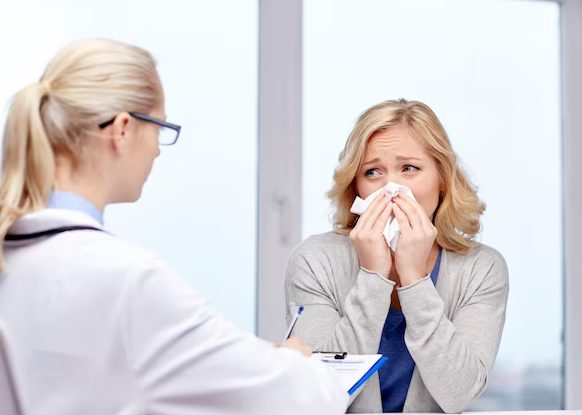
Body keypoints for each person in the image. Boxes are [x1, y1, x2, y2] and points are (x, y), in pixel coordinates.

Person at [0, 38, 347, 415]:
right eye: (160, 127)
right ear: (122, 129)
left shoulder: (17, 255)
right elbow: (303, 399)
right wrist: (295, 366)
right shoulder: (127, 280)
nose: (157, 150)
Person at [285, 99, 509, 413]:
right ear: (356, 187)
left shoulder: (481, 269)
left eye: (409, 169)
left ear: (441, 179)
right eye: (373, 172)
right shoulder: (315, 261)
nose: (391, 188)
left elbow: (460, 392)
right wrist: (373, 277)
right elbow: (319, 393)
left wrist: (415, 280)